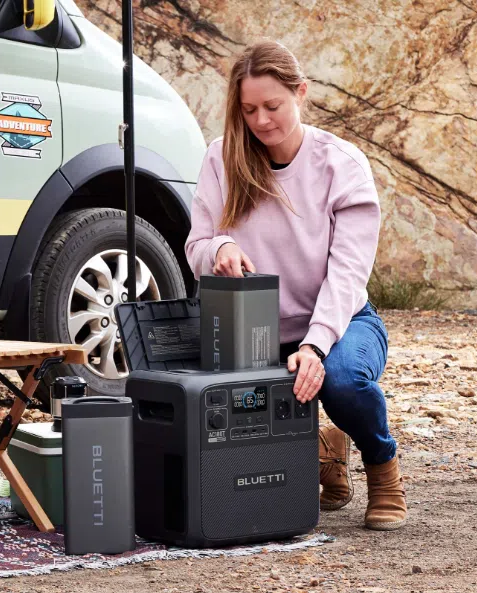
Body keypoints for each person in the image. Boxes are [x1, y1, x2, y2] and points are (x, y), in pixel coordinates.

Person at [184, 39, 406, 530]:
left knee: (344, 381)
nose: (261, 121)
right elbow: (195, 244)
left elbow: (348, 272)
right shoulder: (221, 158)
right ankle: (325, 447)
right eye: (248, 110)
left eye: (272, 106)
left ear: (300, 93)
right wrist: (219, 248)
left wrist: (315, 345)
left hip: (340, 321)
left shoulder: (341, 165)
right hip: (254, 330)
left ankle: (381, 464)